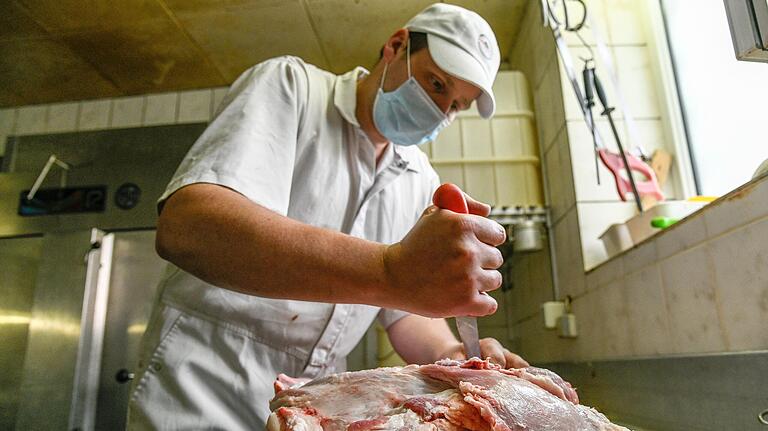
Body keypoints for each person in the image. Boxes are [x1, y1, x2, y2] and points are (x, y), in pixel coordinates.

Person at [127, 3, 528, 429]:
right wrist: (390, 270)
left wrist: (451, 357)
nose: (440, 110)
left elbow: (403, 313)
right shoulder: (292, 89)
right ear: (396, 45)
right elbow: (189, 227)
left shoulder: (418, 177)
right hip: (204, 388)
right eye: (435, 84)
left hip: (318, 408)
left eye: (456, 105)